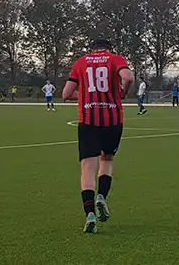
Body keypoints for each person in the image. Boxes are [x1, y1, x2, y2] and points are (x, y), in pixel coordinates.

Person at [62, 39, 134, 234]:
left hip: (88, 120)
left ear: (92, 49)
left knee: (87, 169)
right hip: (113, 120)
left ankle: (90, 214)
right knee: (107, 160)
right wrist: (122, 93)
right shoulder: (115, 59)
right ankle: (102, 196)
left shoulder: (81, 62)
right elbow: (128, 77)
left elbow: (66, 94)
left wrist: (85, 94)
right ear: (108, 48)